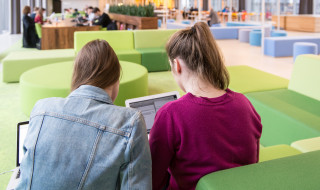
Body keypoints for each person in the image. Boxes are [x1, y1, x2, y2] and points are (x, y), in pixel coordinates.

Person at [16, 40, 152, 190]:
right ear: (115, 79)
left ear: (77, 76)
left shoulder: (40, 109)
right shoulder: (130, 122)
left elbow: (26, 173)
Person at [149, 22, 262, 190]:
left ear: (177, 65)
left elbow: (152, 180)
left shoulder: (171, 114)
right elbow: (253, 161)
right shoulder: (244, 104)